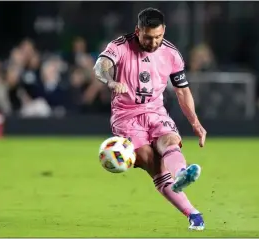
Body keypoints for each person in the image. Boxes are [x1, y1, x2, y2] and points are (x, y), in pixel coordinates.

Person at [93, 8, 207, 231]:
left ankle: (182, 175)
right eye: (148, 37)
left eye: (158, 37)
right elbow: (101, 66)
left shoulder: (172, 54)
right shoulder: (120, 46)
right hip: (126, 117)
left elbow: (182, 91)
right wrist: (110, 81)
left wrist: (195, 123)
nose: (153, 43)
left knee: (169, 140)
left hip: (155, 111)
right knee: (152, 162)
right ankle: (193, 213)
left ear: (164, 31)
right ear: (138, 31)